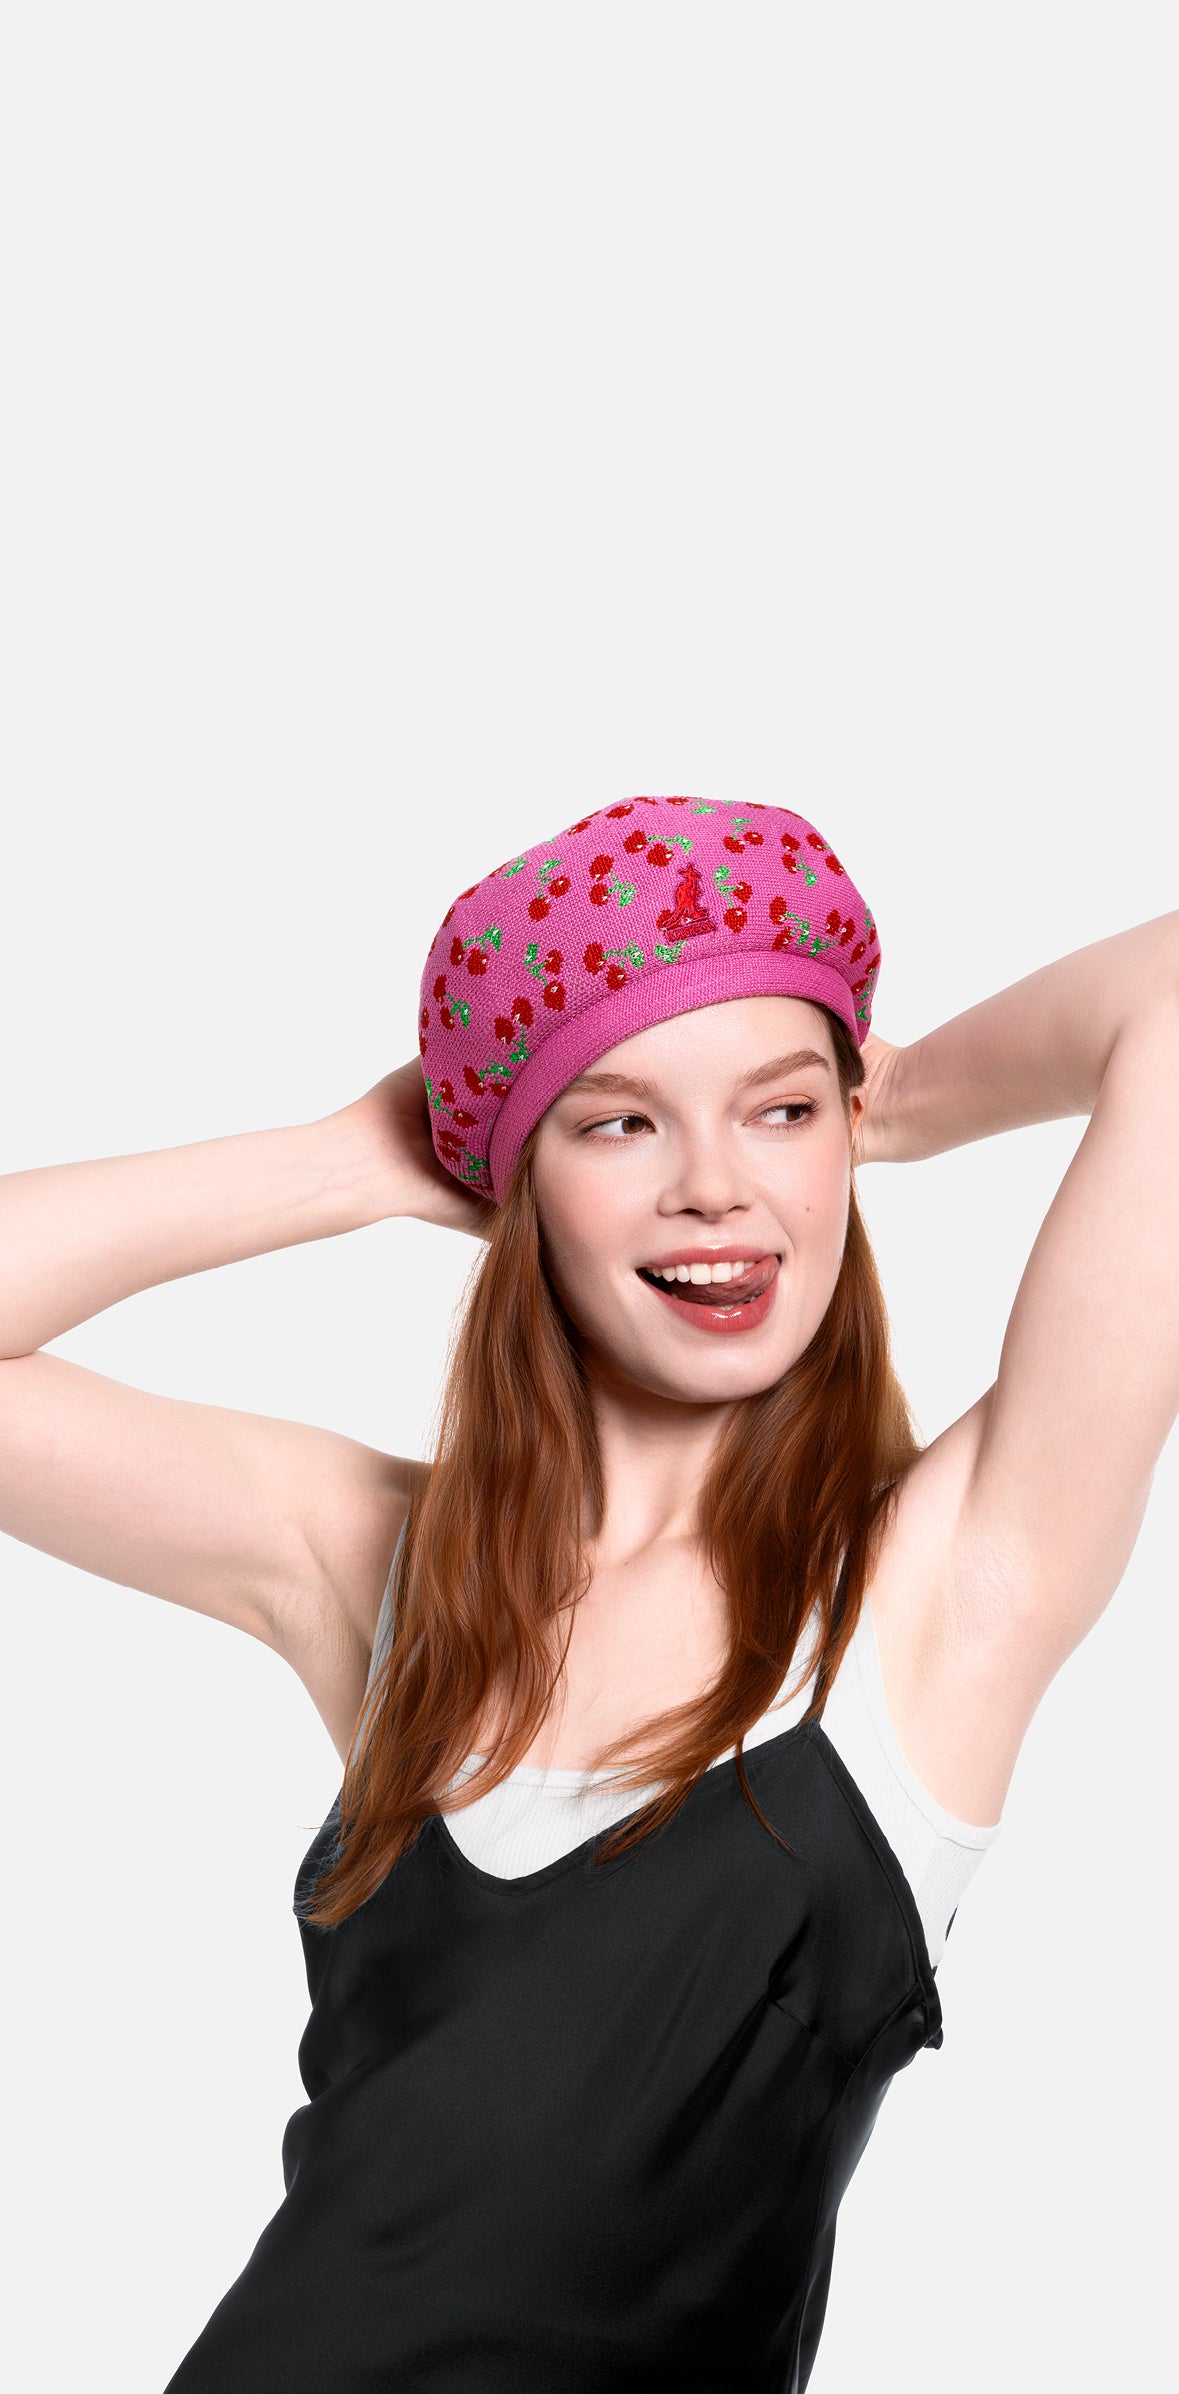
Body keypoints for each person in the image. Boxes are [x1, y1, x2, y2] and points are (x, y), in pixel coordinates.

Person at [2, 795, 1174, 2392]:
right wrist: (355, 1159)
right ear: (519, 1184)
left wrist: (895, 1098)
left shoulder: (939, 1594)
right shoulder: (390, 1576)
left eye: (776, 1113)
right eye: (621, 1122)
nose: (713, 1187)